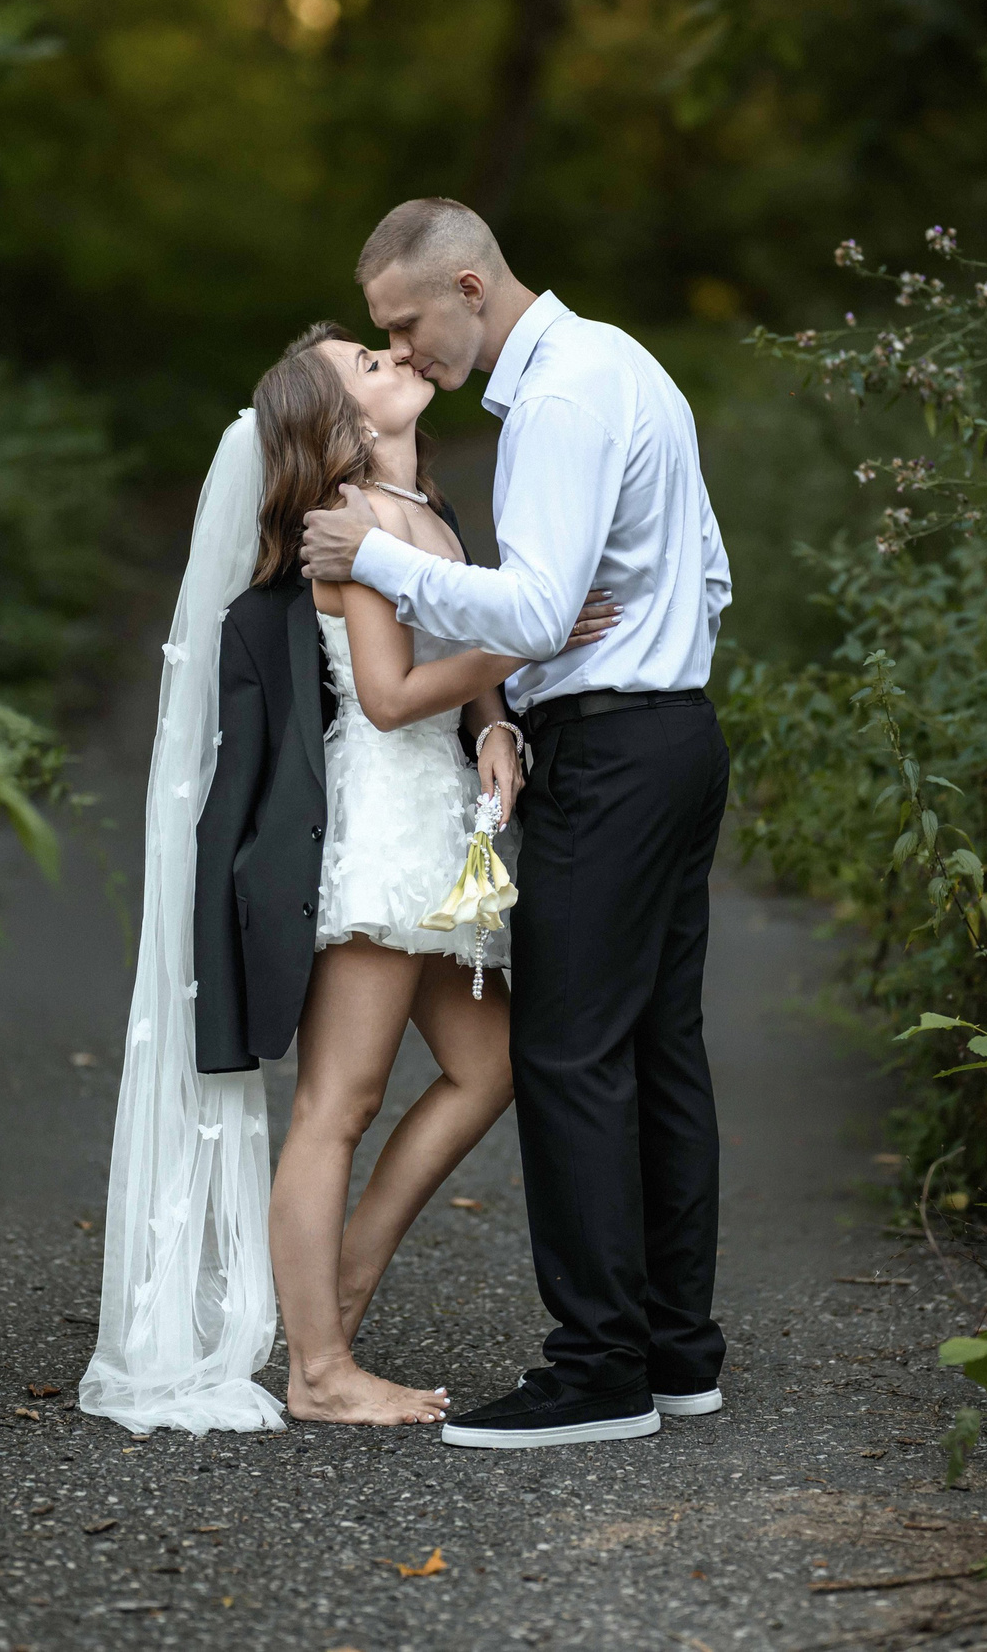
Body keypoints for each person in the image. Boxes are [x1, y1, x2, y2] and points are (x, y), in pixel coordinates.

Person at [78, 322, 614, 1434]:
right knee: (338, 1104)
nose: (394, 357)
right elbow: (382, 691)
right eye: (367, 366)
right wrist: (534, 639)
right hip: (374, 825)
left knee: (492, 1063)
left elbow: (451, 653)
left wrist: (490, 726)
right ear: (340, 429)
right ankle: (319, 1366)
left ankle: (347, 1275)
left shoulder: (429, 513)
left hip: (434, 821)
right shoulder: (353, 523)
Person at [300, 199, 735, 1451]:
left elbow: (540, 609)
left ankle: (596, 1371)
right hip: (675, 735)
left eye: (407, 322)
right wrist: (583, 650)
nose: (405, 348)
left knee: (565, 1053)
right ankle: (673, 1354)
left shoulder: (553, 400)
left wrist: (378, 562)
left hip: (614, 751)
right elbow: (704, 575)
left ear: (472, 287)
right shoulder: (621, 361)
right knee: (659, 1050)